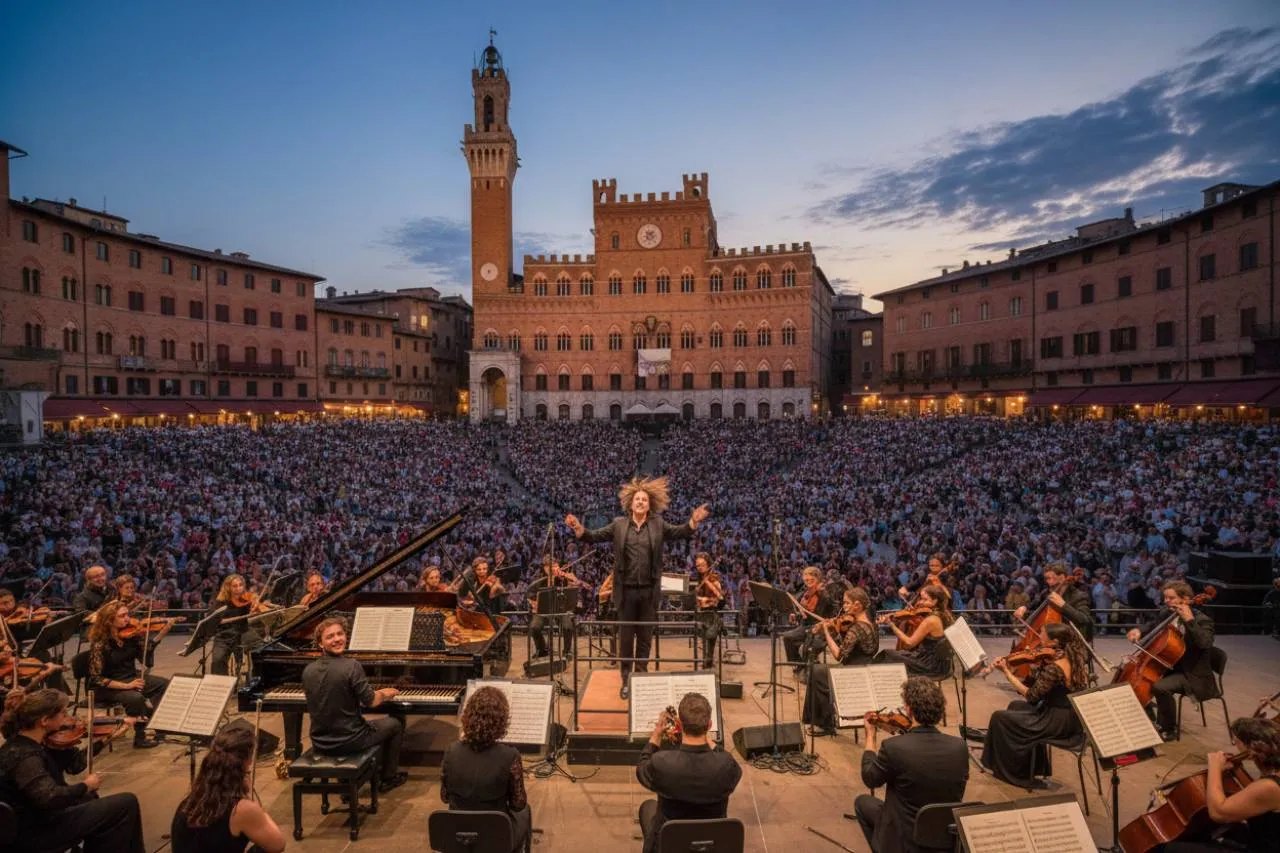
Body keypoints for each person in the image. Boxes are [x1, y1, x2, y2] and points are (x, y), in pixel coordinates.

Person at [566, 476, 709, 699]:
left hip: (649, 592)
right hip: (626, 592)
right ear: (630, 504)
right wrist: (578, 527)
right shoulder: (619, 525)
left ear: (649, 505)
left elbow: (680, 532)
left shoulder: (658, 524)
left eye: (644, 499)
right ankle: (626, 680)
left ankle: (640, 677)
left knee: (644, 638)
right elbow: (593, 536)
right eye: (637, 499)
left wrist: (693, 521)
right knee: (625, 639)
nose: (640, 502)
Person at [0, 687, 145, 853]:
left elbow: (74, 765)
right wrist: (85, 785)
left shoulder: (31, 742)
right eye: (63, 713)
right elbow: (49, 797)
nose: (69, 719)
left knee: (91, 799)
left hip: (38, 818)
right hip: (35, 832)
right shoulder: (26, 756)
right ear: (45, 720)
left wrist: (107, 738)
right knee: (126, 803)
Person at [855, 677, 969, 853]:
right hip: (943, 836)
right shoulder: (959, 747)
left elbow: (870, 778)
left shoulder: (894, 747)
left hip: (907, 839)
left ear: (908, 709)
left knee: (862, 803)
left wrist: (870, 737)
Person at [301, 615, 408, 792]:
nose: (337, 639)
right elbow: (371, 701)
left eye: (340, 634)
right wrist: (384, 693)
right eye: (330, 636)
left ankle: (352, 777)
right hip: (351, 740)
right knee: (396, 723)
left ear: (346, 635)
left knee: (370, 724)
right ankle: (388, 778)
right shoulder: (351, 666)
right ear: (320, 643)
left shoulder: (308, 670)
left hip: (320, 742)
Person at [980, 622, 1090, 788]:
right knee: (1015, 706)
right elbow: (1042, 688)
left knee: (999, 718)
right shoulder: (1072, 657)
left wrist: (1007, 673)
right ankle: (1027, 766)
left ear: (1054, 642)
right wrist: (1033, 669)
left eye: (1042, 635)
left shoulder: (1055, 667)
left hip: (1057, 721)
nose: (1039, 639)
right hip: (1069, 716)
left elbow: (1032, 696)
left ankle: (1014, 773)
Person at [635, 692, 741, 853]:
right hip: (712, 845)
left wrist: (656, 735)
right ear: (709, 725)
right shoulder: (726, 765)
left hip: (671, 845)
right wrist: (707, 739)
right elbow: (725, 758)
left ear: (680, 725)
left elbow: (642, 767)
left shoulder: (663, 763)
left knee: (647, 807)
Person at [1161, 716, 1280, 852]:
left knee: (1167, 848)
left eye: (1236, 743)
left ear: (1251, 750)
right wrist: (1237, 769)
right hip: (1265, 837)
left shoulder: (1270, 787)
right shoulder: (1273, 778)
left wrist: (1214, 767)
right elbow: (1255, 794)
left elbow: (1218, 812)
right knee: (1207, 831)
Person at [440, 686, 531, 852]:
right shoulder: (510, 756)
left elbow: (444, 797)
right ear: (501, 722)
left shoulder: (451, 751)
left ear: (467, 716)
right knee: (526, 811)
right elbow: (518, 804)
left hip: (458, 834)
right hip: (495, 835)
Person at [171, 724, 287, 853]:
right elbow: (278, 845)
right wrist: (253, 803)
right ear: (246, 762)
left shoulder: (188, 802)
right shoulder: (242, 809)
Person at [1126, 580, 1215, 740]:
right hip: (1170, 665)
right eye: (1165, 597)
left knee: (1159, 687)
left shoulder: (1202, 620)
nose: (1166, 601)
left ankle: (1169, 728)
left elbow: (1205, 643)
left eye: (1171, 598)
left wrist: (1190, 621)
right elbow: (1152, 625)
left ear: (1185, 599)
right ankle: (1150, 719)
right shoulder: (1167, 613)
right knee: (1138, 682)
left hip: (1191, 673)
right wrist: (1139, 630)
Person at [88, 599, 172, 749]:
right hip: (108, 687)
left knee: (163, 684)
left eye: (127, 614)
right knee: (135, 697)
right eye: (122, 616)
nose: (127, 618)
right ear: (109, 621)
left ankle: (157, 723)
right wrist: (127, 686)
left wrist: (162, 632)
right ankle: (140, 737)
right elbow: (97, 678)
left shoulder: (131, 636)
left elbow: (145, 655)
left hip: (131, 677)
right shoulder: (100, 644)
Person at [802, 586, 880, 735]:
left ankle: (825, 724)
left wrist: (826, 631)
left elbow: (839, 654)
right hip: (865, 669)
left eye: (846, 603)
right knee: (819, 671)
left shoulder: (856, 629)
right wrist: (838, 632)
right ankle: (823, 720)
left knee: (817, 672)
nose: (843, 606)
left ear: (857, 605)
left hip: (852, 673)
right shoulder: (872, 624)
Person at [875, 584, 954, 678]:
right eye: (921, 598)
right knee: (897, 654)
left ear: (935, 601)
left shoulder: (931, 620)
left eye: (925, 599)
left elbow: (909, 642)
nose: (920, 602)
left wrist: (891, 625)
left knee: (886, 655)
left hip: (929, 664)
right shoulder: (944, 614)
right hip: (940, 662)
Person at [1012, 564, 1094, 641]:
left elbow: (1085, 620)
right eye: (1046, 579)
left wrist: (1063, 605)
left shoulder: (1079, 596)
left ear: (1062, 577)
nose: (1048, 582)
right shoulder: (1047, 593)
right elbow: (1036, 605)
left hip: (1071, 641)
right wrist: (1024, 607)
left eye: (1049, 578)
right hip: (1051, 640)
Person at [783, 566, 838, 671]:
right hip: (806, 626)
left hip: (820, 627)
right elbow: (801, 611)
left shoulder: (824, 592)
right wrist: (795, 615)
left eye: (812, 580)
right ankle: (799, 664)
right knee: (787, 637)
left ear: (818, 579)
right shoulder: (805, 593)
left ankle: (809, 665)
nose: (808, 582)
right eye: (806, 580)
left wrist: (822, 593)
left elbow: (830, 610)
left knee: (808, 644)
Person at [526, 556, 582, 661]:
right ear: (545, 568)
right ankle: (542, 650)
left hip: (561, 609)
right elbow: (529, 594)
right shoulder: (538, 578)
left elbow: (577, 584)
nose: (554, 569)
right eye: (550, 567)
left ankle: (567, 652)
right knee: (534, 627)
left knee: (568, 626)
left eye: (556, 566)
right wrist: (534, 603)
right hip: (543, 610)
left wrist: (567, 576)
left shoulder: (563, 577)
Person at [208, 574, 258, 677]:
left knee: (257, 654)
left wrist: (255, 605)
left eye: (240, 585)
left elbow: (254, 607)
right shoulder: (221, 602)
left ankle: (250, 680)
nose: (238, 588)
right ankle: (221, 683)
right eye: (235, 586)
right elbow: (211, 618)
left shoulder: (246, 599)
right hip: (223, 636)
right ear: (228, 587)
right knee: (217, 661)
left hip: (242, 635)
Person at [692, 553, 725, 669]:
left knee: (710, 640)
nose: (700, 567)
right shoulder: (698, 579)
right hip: (701, 614)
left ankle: (708, 664)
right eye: (697, 565)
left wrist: (702, 600)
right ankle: (706, 663)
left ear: (708, 564)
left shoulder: (713, 578)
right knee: (703, 642)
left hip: (711, 614)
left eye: (703, 565)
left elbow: (719, 599)